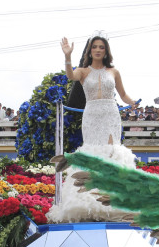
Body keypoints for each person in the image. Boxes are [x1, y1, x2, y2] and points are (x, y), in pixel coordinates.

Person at [49, 35, 138, 222]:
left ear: (106, 51)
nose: (98, 50)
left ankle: (114, 201)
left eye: (102, 47)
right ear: (90, 50)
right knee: (92, 151)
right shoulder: (82, 71)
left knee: (111, 151)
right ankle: (87, 201)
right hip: (91, 114)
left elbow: (122, 94)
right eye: (95, 47)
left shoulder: (114, 72)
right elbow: (70, 76)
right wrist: (67, 56)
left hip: (111, 114)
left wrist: (132, 102)